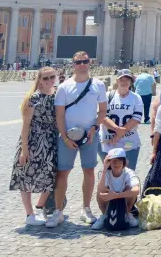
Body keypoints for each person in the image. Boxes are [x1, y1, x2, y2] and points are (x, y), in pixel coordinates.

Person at [48, 52, 107, 227]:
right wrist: (64, 137)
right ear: (73, 64)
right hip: (68, 137)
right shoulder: (64, 87)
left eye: (85, 61)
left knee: (89, 171)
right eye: (78, 62)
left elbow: (102, 111)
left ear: (90, 63)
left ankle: (86, 209)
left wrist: (95, 127)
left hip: (90, 135)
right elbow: (59, 114)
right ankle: (58, 211)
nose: (82, 64)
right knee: (62, 172)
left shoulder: (98, 85)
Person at [9, 67, 58, 226]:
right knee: (26, 176)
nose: (50, 80)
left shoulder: (58, 96)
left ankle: (39, 207)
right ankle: (29, 214)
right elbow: (26, 125)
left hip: (50, 141)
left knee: (51, 175)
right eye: (46, 78)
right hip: (33, 141)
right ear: (40, 81)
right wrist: (24, 148)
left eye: (52, 77)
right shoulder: (33, 98)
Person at [100, 69, 143, 169]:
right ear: (117, 81)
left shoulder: (136, 98)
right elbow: (103, 116)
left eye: (127, 80)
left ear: (131, 82)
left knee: (129, 169)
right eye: (121, 79)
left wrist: (121, 132)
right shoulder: (108, 96)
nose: (124, 82)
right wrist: (117, 129)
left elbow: (136, 118)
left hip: (129, 140)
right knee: (110, 171)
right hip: (109, 141)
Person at [91, 149, 140, 230]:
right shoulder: (105, 172)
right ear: (109, 162)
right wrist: (104, 168)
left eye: (119, 161)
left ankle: (127, 214)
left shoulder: (129, 172)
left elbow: (136, 190)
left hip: (123, 198)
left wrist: (116, 195)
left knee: (130, 188)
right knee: (100, 191)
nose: (117, 164)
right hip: (109, 200)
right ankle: (104, 215)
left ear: (124, 162)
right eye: (114, 161)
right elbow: (101, 189)